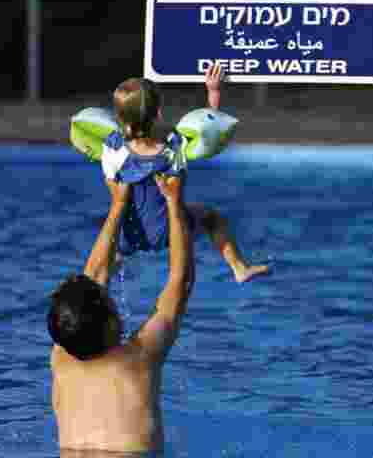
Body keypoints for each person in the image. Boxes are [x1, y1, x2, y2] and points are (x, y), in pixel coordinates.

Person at [48, 173, 193, 455]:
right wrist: (173, 203)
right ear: (111, 324)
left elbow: (94, 277)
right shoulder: (139, 358)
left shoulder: (60, 358)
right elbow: (181, 281)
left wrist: (118, 203)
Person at [103, 63, 268, 283]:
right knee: (212, 218)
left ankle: (100, 282)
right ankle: (239, 268)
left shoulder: (112, 145)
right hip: (168, 229)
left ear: (120, 116)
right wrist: (213, 91)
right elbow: (209, 131)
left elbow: (113, 187)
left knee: (111, 256)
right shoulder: (173, 142)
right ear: (158, 112)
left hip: (127, 231)